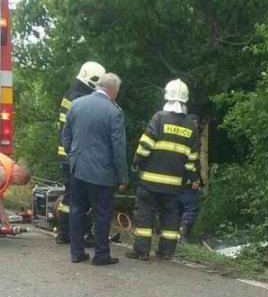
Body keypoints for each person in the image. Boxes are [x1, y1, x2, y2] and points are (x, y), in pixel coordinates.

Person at [126, 79, 200, 261]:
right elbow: (192, 159)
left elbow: (145, 146)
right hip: (173, 185)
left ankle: (141, 251)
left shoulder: (159, 118)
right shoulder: (191, 126)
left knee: (144, 214)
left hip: (150, 181)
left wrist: (137, 162)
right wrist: (188, 178)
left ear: (167, 95)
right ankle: (166, 252)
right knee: (171, 218)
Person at [61, 72, 128, 265]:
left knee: (76, 210)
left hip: (77, 169)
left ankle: (76, 252)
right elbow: (118, 148)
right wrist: (123, 177)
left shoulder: (76, 104)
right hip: (101, 173)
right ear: (113, 90)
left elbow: (66, 136)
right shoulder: (114, 112)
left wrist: (73, 156)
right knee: (102, 213)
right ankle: (101, 255)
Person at [55, 61, 105, 244]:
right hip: (77, 156)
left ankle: (64, 233)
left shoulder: (70, 95)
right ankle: (82, 234)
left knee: (70, 196)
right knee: (83, 198)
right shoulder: (81, 99)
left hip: (67, 154)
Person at [178, 115, 204, 241]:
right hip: (188, 181)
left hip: (175, 180)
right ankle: (183, 238)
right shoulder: (193, 139)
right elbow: (193, 162)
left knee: (175, 208)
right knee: (190, 209)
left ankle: (173, 236)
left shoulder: (177, 136)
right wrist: (195, 179)